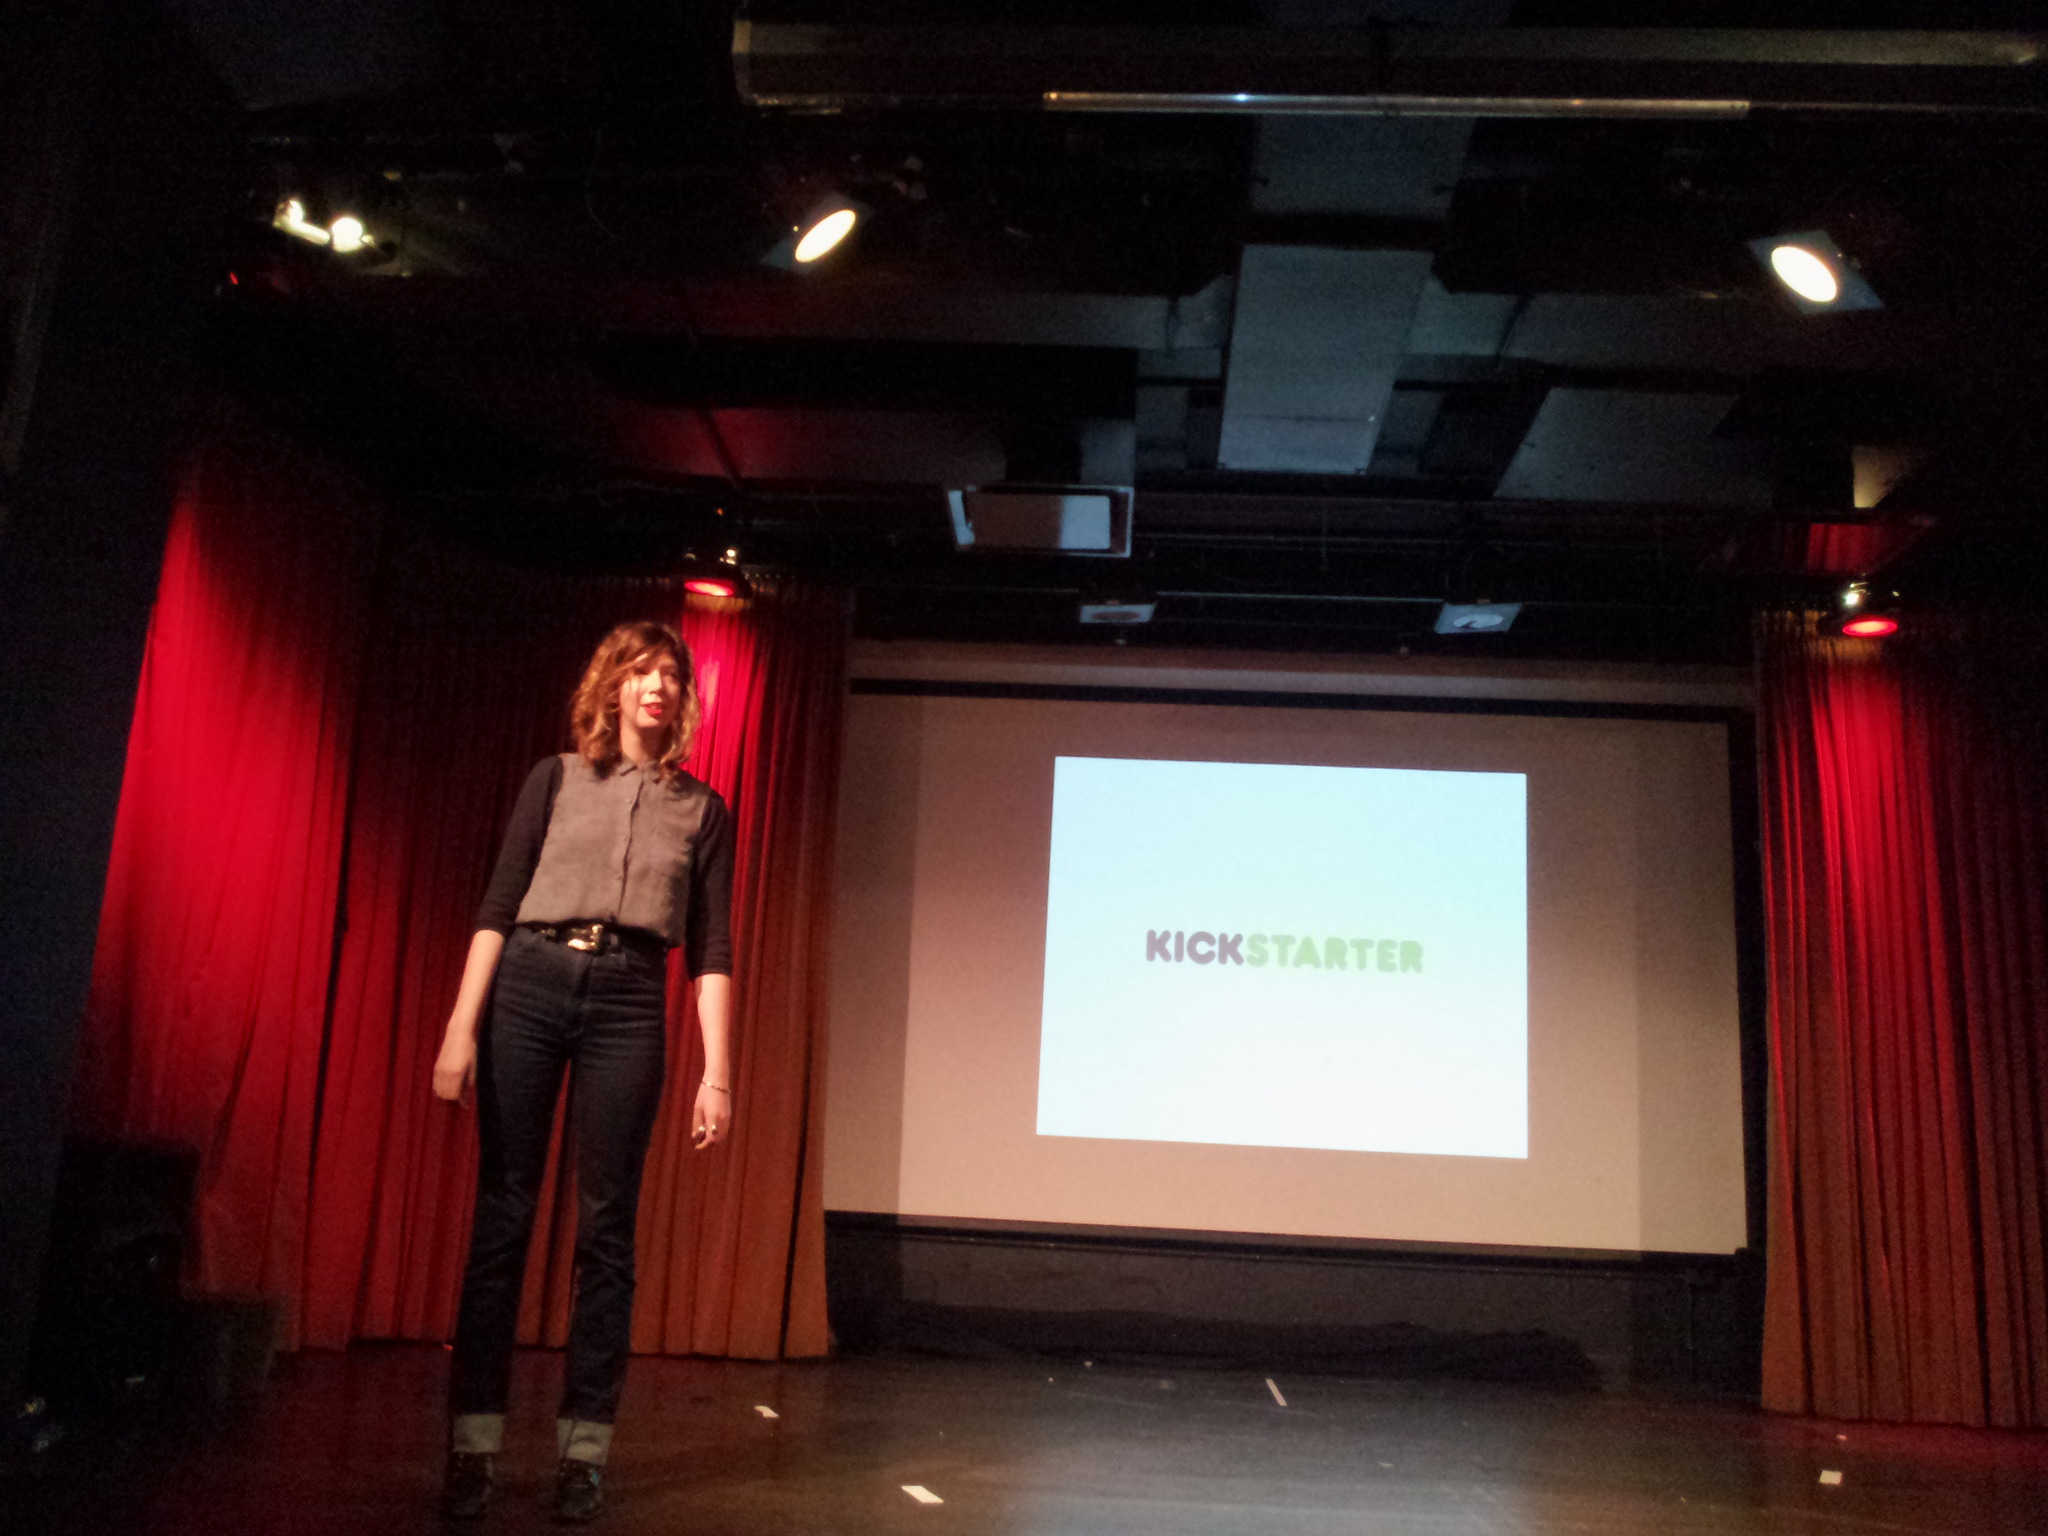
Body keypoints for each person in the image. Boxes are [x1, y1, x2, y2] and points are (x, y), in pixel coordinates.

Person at [429, 621, 735, 1523]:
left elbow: (712, 949)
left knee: (606, 1230)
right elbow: (498, 904)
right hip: (529, 982)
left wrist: (718, 1072)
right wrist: (460, 1029)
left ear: (682, 700)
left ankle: (584, 1452)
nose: (657, 685)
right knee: (504, 1217)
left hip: (630, 997)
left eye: (671, 675)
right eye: (641, 671)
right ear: (613, 686)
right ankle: (473, 1445)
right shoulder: (555, 778)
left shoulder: (702, 809)